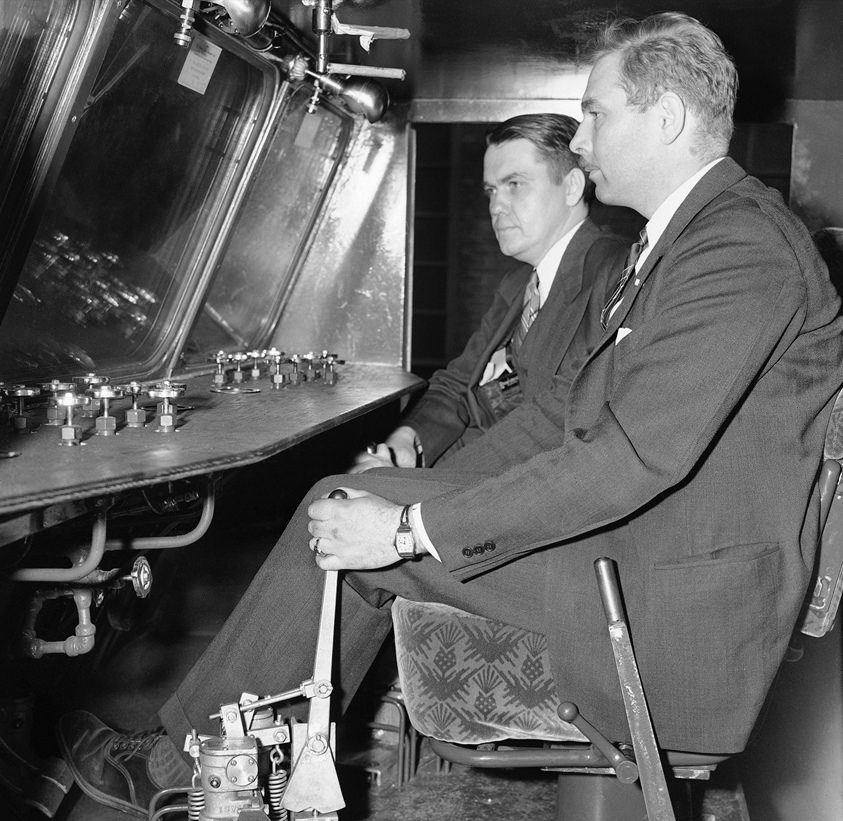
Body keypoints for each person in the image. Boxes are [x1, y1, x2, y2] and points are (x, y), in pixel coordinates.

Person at [59, 12, 843, 818]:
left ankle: (178, 761)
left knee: (354, 524)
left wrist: (407, 532)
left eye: (598, 114)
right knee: (345, 502)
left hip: (668, 600)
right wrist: (421, 499)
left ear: (667, 118)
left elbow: (630, 458)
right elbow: (564, 416)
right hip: (642, 554)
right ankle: (214, 756)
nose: (581, 140)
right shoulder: (684, 242)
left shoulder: (738, 247)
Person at [353, 114, 627, 473]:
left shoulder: (613, 271)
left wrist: (426, 487)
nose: (495, 207)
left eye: (514, 184)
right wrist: (406, 440)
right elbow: (457, 383)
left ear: (573, 187)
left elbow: (564, 420)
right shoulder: (519, 285)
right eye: (491, 191)